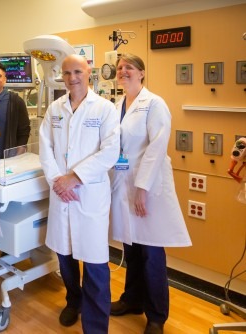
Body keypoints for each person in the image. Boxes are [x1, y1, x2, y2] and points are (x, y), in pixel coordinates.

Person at [109, 53, 192, 334]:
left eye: (129, 68)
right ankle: (131, 300)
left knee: (152, 254)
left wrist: (142, 189)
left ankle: (157, 316)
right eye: (120, 68)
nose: (123, 72)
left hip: (148, 188)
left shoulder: (154, 104)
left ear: (142, 73)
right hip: (124, 184)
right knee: (131, 249)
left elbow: (156, 149)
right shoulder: (118, 104)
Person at [39, 54, 120, 333]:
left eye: (77, 72)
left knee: (95, 264)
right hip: (62, 194)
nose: (72, 78)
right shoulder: (55, 108)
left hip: (88, 194)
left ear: (89, 73)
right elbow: (45, 147)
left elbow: (110, 151)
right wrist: (57, 181)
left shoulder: (105, 109)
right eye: (67, 73)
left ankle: (96, 326)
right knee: (66, 256)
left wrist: (74, 178)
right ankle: (74, 301)